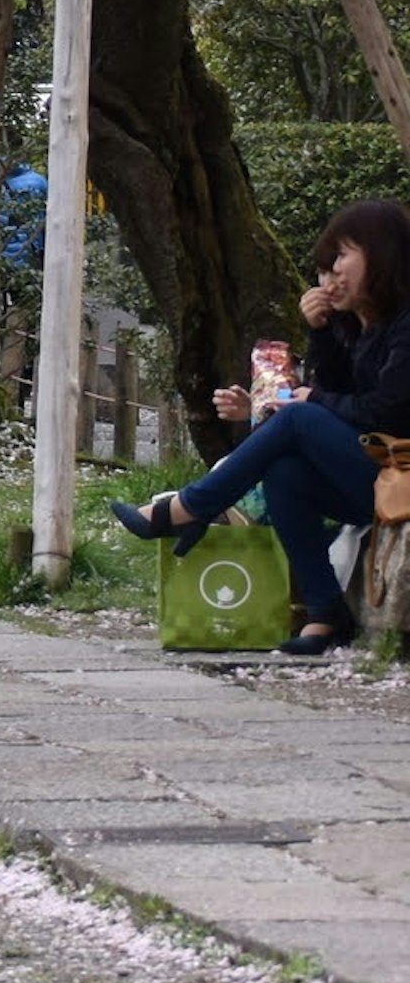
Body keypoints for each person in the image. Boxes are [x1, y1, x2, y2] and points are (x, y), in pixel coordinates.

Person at [117, 200, 410, 658]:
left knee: (297, 415)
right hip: (374, 476)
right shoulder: (359, 329)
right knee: (285, 471)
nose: (331, 274)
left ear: (381, 253)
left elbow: (386, 413)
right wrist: (322, 333)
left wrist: (316, 401)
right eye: (326, 265)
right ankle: (325, 611)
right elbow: (334, 397)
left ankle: (190, 506)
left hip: (400, 473)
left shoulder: (405, 325)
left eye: (341, 257)